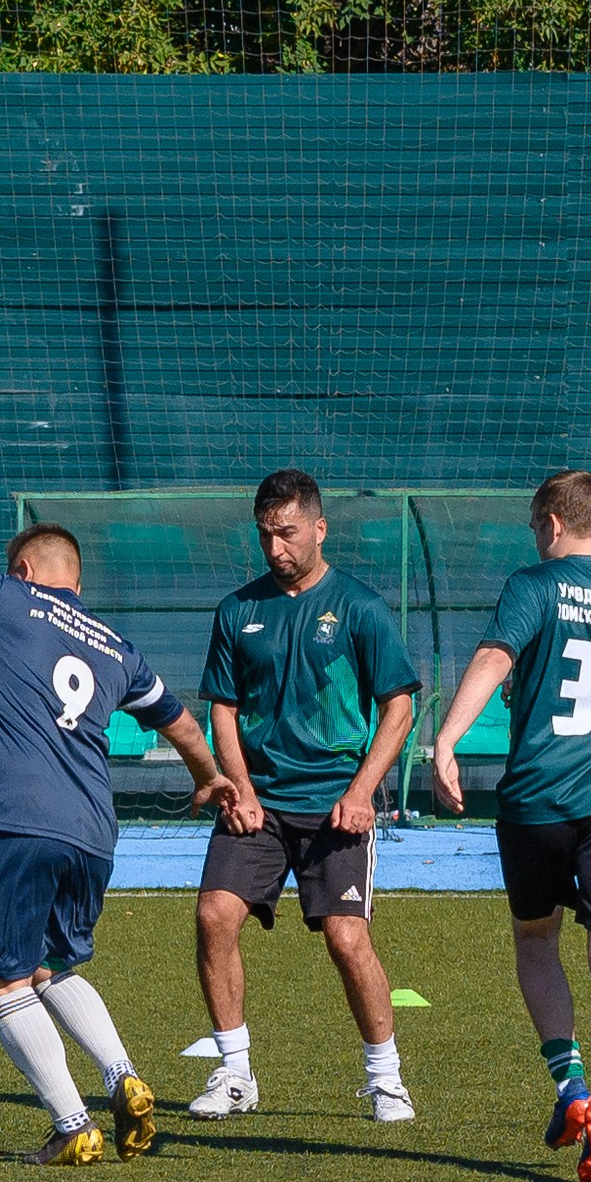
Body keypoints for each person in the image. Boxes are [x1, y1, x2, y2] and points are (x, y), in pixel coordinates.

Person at [0, 523, 226, 1164]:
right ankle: (123, 1076)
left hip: (16, 820)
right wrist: (209, 777)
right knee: (50, 968)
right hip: (93, 832)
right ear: (78, 582)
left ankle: (71, 1123)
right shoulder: (116, 647)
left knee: (2, 979)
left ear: (26, 571)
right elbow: (178, 720)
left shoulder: (2, 596)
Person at [427, 469, 591, 1182]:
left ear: (556, 522)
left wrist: (447, 739)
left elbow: (499, 654)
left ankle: (569, 1087)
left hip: (537, 798)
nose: (536, 537)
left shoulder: (535, 584)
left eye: (537, 525)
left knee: (536, 939)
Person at [188, 469, 423, 1123]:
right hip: (258, 805)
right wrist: (239, 789)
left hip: (334, 805)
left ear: (320, 529)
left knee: (348, 939)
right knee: (214, 918)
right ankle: (235, 1074)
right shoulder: (238, 610)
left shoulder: (360, 607)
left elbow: (399, 707)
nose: (275, 548)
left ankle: (386, 1080)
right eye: (265, 535)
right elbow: (224, 711)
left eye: (287, 533)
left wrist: (363, 791)